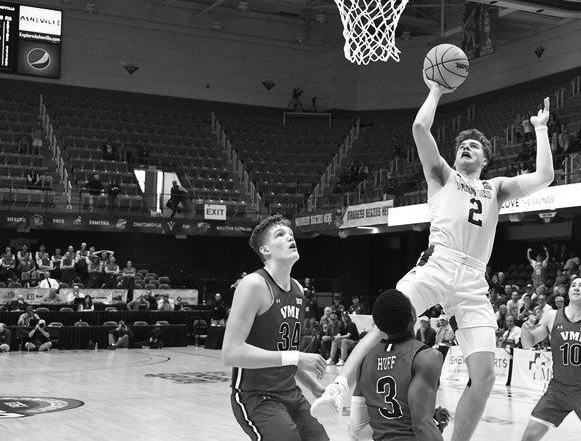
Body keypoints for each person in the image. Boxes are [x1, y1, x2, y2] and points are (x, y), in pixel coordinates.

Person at [313, 79, 554, 441]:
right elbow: (420, 128)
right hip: (438, 263)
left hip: (473, 281)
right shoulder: (443, 175)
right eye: (462, 146)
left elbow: (545, 177)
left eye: (474, 146)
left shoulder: (497, 188)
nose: (467, 148)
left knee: (485, 375)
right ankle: (340, 387)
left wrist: (540, 130)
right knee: (384, 322)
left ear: (486, 160)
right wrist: (438, 90)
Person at [222, 215, 329, 440]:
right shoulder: (253, 285)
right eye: (280, 235)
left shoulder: (298, 289)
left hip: (291, 394)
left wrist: (315, 387)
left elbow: (284, 354)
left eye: (290, 234)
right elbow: (231, 353)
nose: (290, 237)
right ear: (265, 250)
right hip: (255, 396)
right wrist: (296, 357)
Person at [519, 276, 581, 440]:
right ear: (569, 292)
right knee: (529, 437)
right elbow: (529, 343)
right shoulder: (551, 316)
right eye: (574, 285)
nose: (576, 288)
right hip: (557, 390)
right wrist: (525, 330)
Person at [349, 289, 449, 440]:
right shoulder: (427, 357)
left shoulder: (365, 361)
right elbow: (422, 426)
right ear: (413, 316)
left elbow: (356, 429)